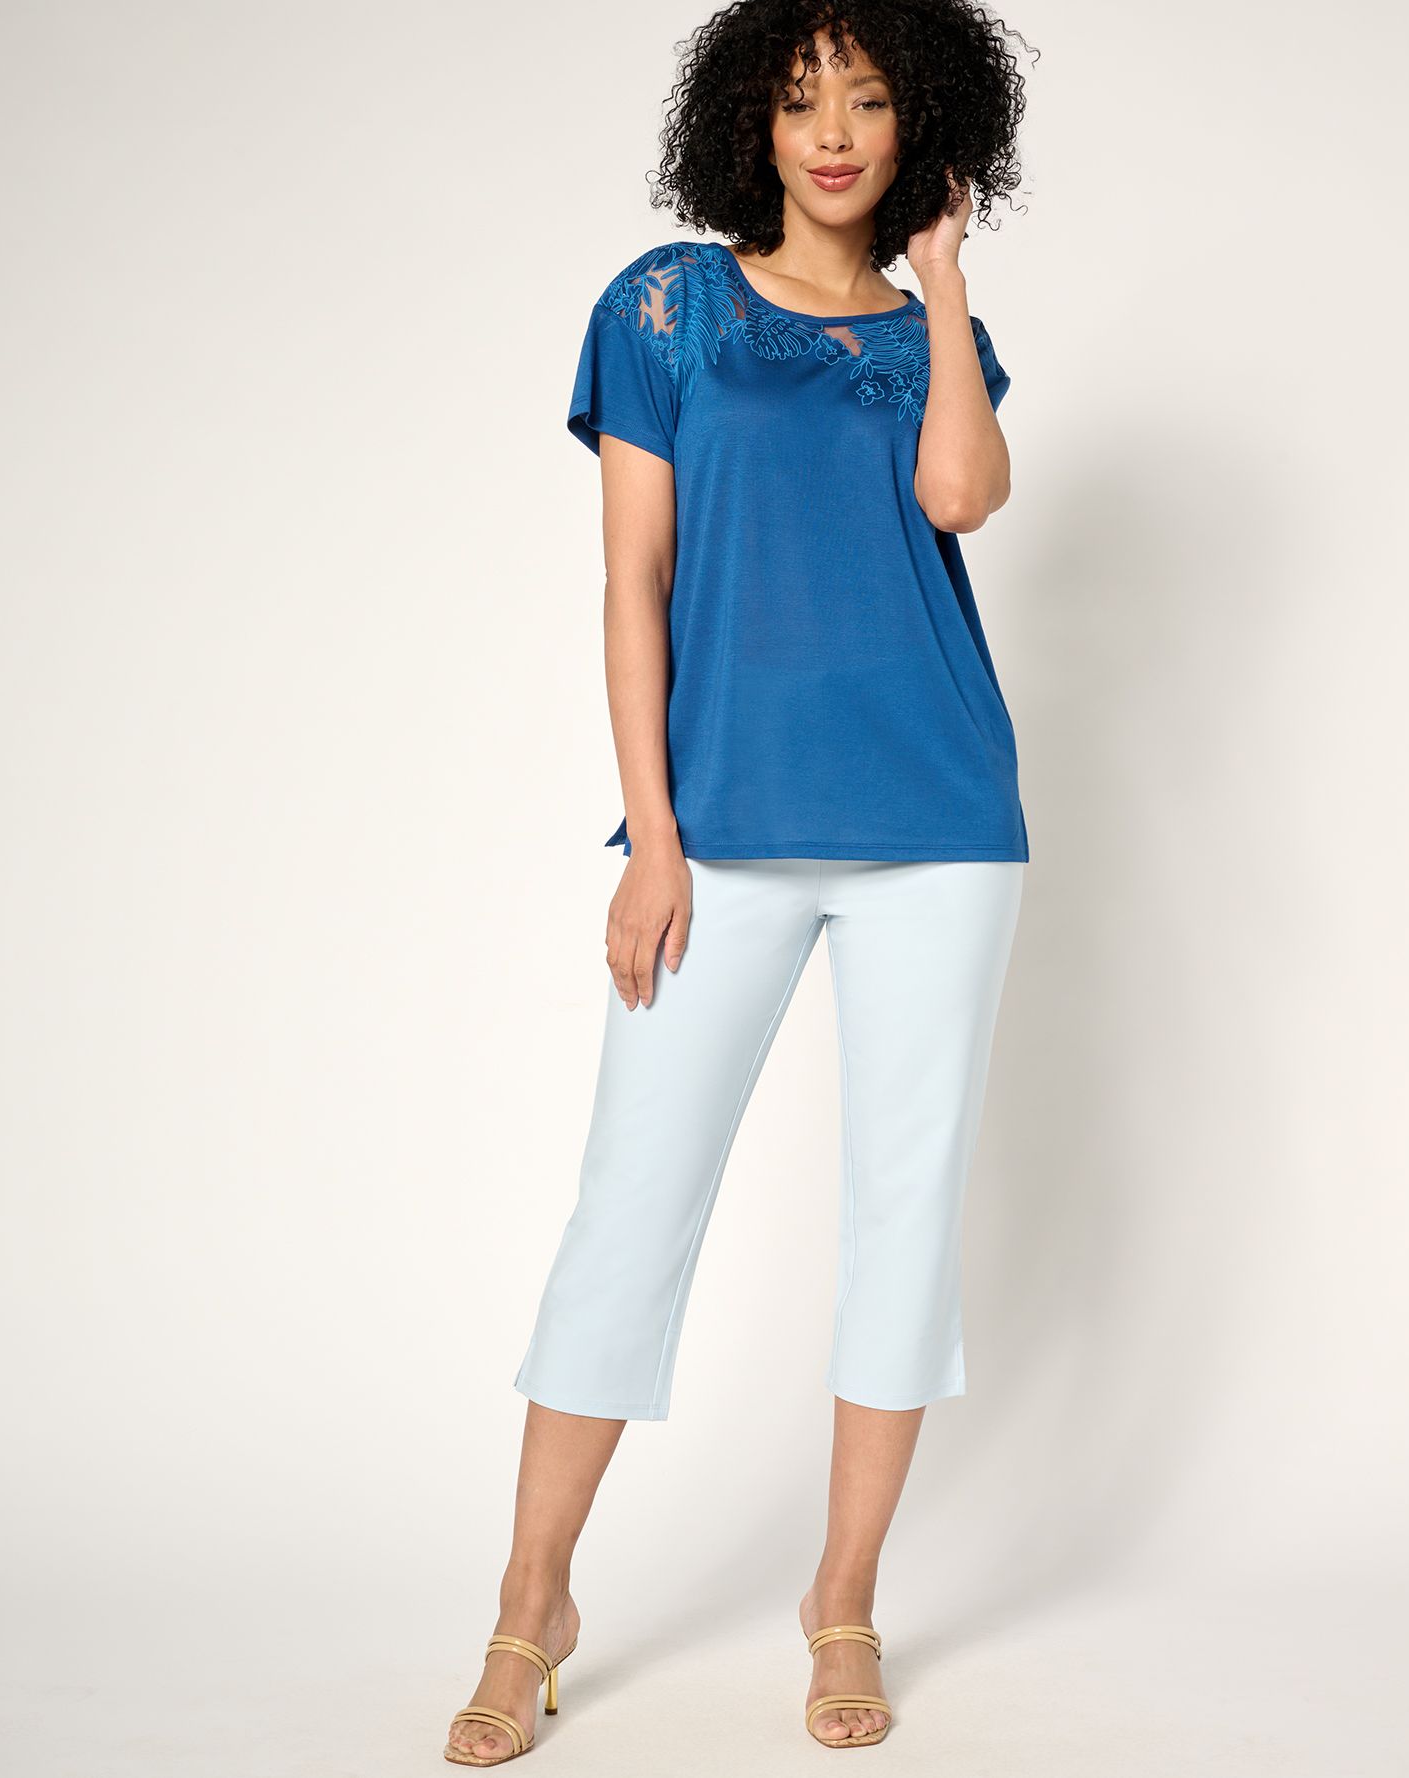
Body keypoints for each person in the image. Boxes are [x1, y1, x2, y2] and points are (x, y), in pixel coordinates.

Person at [444, 3, 1034, 1763]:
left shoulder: (942, 331)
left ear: (920, 124)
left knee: (904, 1215)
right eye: (799, 99)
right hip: (723, 830)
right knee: (631, 1205)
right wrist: (654, 836)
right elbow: (632, 581)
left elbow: (963, 494)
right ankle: (531, 1601)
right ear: (751, 126)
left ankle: (843, 1596)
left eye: (870, 98)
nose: (834, 129)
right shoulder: (667, 309)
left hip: (941, 823)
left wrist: (942, 278)